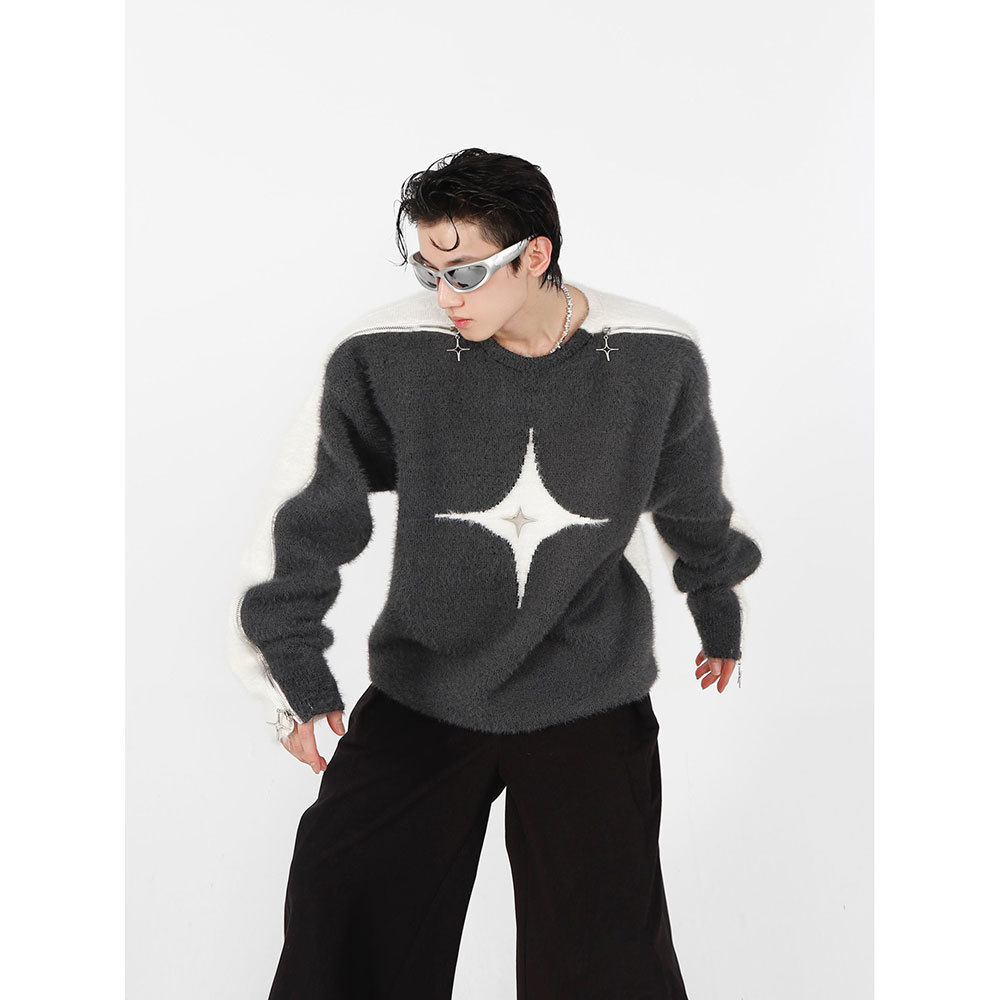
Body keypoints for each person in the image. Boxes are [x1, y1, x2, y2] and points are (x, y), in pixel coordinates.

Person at [229, 147, 762, 999]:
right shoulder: (387, 352)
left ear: (535, 254)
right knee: (343, 916)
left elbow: (694, 495)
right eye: (427, 270)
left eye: (467, 272)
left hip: (588, 691)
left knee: (603, 961)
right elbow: (304, 512)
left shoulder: (654, 354)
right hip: (426, 687)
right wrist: (289, 675)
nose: (445, 295)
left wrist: (717, 601)